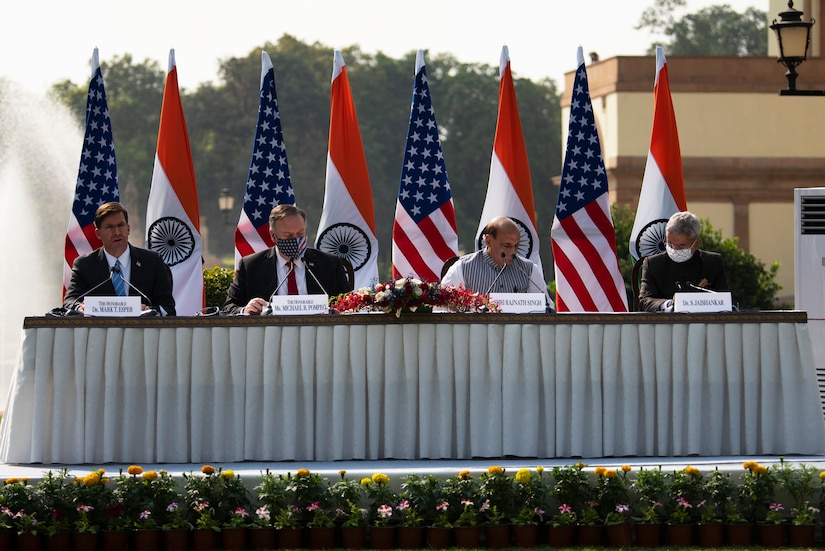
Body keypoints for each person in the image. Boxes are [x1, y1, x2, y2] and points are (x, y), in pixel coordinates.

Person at [223, 204, 354, 315]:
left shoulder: (329, 264)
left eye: (300, 234)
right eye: (288, 235)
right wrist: (245, 310)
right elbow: (229, 308)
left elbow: (348, 304)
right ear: (273, 236)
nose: (295, 239)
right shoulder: (251, 266)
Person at [64, 202, 176, 315]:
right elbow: (69, 302)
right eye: (110, 227)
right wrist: (80, 308)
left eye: (121, 226)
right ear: (98, 234)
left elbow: (168, 308)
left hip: (142, 330)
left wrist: (149, 311)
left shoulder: (152, 262)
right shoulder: (84, 265)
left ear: (128, 229)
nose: (117, 232)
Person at [441, 215, 550, 302]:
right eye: (507, 246)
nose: (512, 251)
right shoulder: (462, 268)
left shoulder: (529, 270)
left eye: (516, 246)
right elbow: (443, 307)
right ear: (488, 241)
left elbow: (546, 307)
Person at [638, 211, 729, 312]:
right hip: (665, 324)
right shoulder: (653, 263)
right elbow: (645, 301)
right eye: (670, 244)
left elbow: (724, 299)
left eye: (681, 246)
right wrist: (668, 305)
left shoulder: (712, 262)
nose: (674, 249)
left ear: (696, 243)